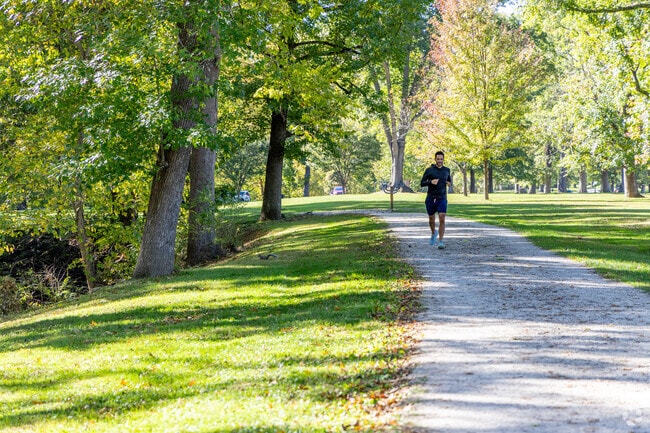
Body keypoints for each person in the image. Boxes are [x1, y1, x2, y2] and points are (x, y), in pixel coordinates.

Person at [420, 151, 452, 249]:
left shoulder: (447, 170)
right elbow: (422, 183)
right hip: (431, 198)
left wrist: (449, 183)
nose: (439, 161)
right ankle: (434, 233)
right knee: (431, 219)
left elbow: (449, 180)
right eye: (438, 159)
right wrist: (430, 182)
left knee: (442, 217)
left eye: (441, 159)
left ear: (443, 159)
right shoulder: (429, 170)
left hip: (442, 197)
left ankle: (441, 241)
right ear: (435, 159)